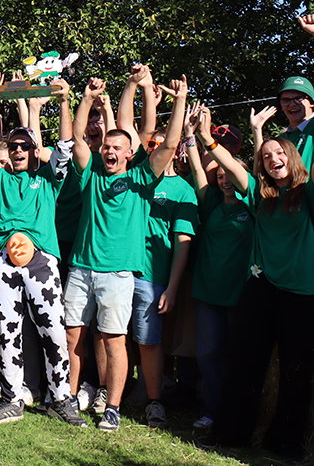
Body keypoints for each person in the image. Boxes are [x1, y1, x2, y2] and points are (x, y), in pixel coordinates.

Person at [65, 74, 188, 432]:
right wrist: (86, 100)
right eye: (106, 146)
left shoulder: (140, 177)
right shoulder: (90, 174)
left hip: (119, 273)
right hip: (81, 268)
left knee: (115, 340)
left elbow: (171, 143)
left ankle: (113, 407)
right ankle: (69, 399)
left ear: (129, 154)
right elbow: (75, 139)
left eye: (117, 147)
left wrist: (179, 101)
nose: (110, 151)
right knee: (74, 336)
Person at [0, 79, 85, 427]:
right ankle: (12, 398)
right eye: (12, 146)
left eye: (23, 146)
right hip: (2, 261)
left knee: (54, 331)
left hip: (41, 262)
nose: (16, 151)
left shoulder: (47, 178)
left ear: (33, 151)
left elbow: (65, 145)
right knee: (7, 330)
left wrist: (63, 101)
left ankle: (61, 399)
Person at [197, 130, 314, 461]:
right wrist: (208, 140)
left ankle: (285, 443)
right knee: (243, 361)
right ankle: (229, 433)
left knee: (296, 370)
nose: (273, 159)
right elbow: (231, 168)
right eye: (265, 156)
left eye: (279, 153)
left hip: (302, 294)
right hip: (260, 288)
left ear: (293, 157)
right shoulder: (263, 197)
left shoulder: (307, 194)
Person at [182, 103, 253, 430]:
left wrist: (209, 137)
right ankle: (210, 410)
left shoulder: (253, 203)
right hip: (209, 292)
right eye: (220, 175)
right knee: (208, 355)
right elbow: (198, 170)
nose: (225, 180)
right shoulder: (210, 201)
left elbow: (241, 175)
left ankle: (236, 412)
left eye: (230, 176)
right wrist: (190, 135)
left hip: (241, 294)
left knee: (238, 357)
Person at [130, 124, 197, 430]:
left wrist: (172, 286)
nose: (155, 146)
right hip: (118, 270)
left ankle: (152, 400)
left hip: (153, 275)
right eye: (150, 142)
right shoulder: (132, 179)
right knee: (110, 335)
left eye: (161, 142)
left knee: (149, 339)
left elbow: (183, 243)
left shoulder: (184, 190)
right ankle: (112, 394)